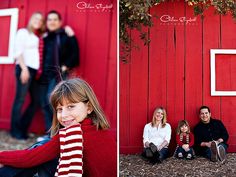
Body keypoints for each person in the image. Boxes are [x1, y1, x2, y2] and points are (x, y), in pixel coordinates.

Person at [0, 78, 117, 177]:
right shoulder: (102, 130)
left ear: (89, 107)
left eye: (71, 106)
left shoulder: (73, 134)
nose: (64, 115)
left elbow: (28, 158)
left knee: (41, 153)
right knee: (44, 149)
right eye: (60, 109)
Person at [38, 10, 79, 136]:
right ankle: (49, 133)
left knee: (52, 102)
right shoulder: (45, 38)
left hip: (58, 74)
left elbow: (75, 54)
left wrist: (65, 66)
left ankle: (57, 133)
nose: (52, 22)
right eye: (49, 19)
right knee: (43, 103)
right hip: (43, 75)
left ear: (59, 22)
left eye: (55, 19)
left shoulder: (65, 36)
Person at [10, 12, 45, 140]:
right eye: (36, 18)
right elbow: (18, 51)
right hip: (24, 68)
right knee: (20, 99)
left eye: (41, 20)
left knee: (37, 101)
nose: (38, 21)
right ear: (31, 19)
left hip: (35, 71)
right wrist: (24, 69)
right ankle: (15, 131)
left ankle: (22, 127)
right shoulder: (23, 32)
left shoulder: (38, 37)